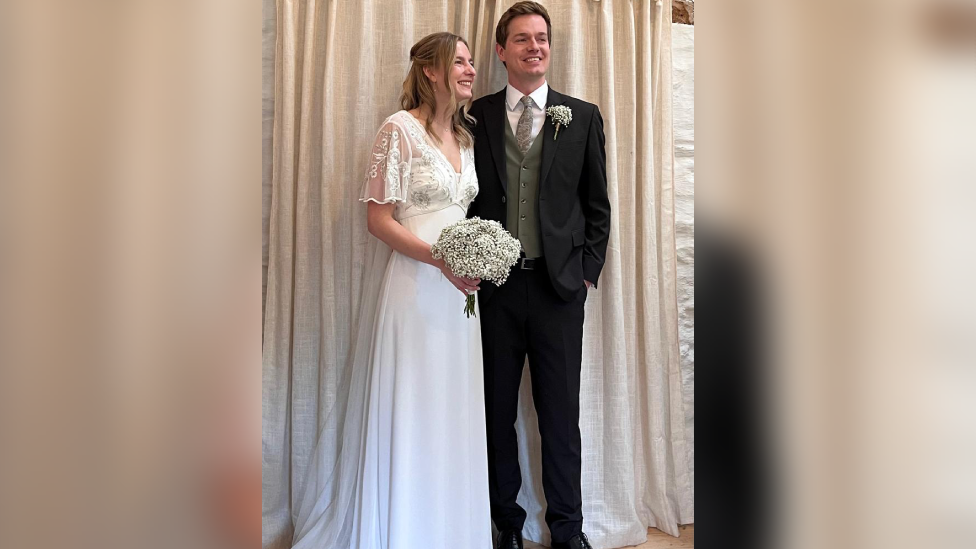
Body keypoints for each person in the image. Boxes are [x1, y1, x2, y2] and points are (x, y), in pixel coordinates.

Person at [290, 32, 491, 549]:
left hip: (460, 297)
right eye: (461, 62)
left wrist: (470, 262)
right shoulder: (398, 130)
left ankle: (451, 532)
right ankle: (406, 530)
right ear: (430, 71)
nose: (471, 70)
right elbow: (377, 220)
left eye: (471, 62)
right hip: (415, 291)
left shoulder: (466, 138)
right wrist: (438, 259)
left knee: (453, 413)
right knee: (414, 407)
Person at [466, 3, 611, 549]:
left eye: (542, 38)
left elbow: (598, 206)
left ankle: (568, 532)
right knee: (496, 412)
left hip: (558, 291)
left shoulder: (582, 115)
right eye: (522, 38)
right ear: (501, 51)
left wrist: (587, 273)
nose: (535, 46)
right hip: (495, 288)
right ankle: (506, 526)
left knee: (559, 416)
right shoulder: (473, 117)